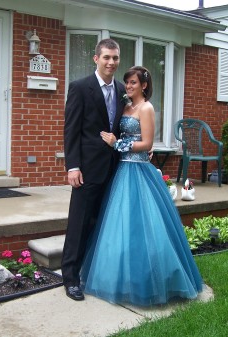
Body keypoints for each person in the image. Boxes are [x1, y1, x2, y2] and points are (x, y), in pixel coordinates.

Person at [80, 66, 204, 306]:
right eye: (127, 82)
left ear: (144, 85)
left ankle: (153, 281)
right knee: (120, 227)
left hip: (138, 171)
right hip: (122, 170)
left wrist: (117, 144)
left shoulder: (146, 108)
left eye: (134, 83)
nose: (129, 86)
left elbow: (147, 142)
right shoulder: (126, 106)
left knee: (145, 227)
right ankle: (120, 280)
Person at [62, 38, 126, 301]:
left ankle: (92, 272)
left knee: (102, 222)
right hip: (87, 169)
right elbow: (71, 130)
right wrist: (73, 166)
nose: (111, 62)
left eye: (115, 58)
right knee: (79, 223)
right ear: (96, 59)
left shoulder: (123, 89)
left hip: (115, 169)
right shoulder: (80, 88)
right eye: (106, 57)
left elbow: (124, 126)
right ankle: (70, 278)